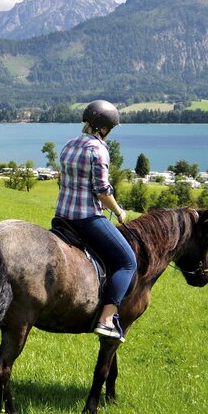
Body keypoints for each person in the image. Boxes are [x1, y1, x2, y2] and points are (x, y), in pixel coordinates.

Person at [55, 100, 137, 342]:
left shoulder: (69, 144)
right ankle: (107, 319)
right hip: (86, 218)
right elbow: (101, 190)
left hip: (62, 217)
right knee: (127, 262)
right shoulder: (99, 149)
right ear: (105, 128)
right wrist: (119, 211)